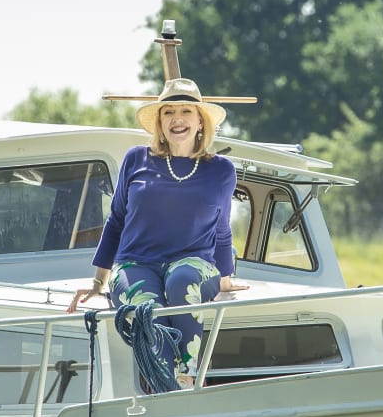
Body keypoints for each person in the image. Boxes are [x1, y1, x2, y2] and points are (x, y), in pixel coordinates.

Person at [67, 78, 249, 387]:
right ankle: (170, 389)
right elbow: (116, 220)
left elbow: (221, 228)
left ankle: (188, 377)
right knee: (147, 308)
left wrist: (226, 277)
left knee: (181, 281)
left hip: (194, 263)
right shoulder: (136, 159)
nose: (177, 120)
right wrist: (99, 281)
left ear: (200, 121)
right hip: (136, 263)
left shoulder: (220, 170)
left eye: (186, 112)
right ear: (159, 122)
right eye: (168, 113)